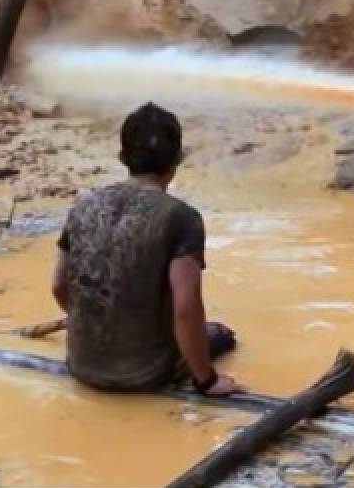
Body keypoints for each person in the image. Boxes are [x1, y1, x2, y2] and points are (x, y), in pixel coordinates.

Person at [51, 102, 243, 395]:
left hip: (82, 365)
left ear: (123, 156)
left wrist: (96, 321)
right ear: (176, 159)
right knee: (221, 334)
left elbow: (58, 286)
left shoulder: (83, 205)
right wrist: (207, 381)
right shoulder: (180, 217)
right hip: (145, 372)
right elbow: (186, 309)